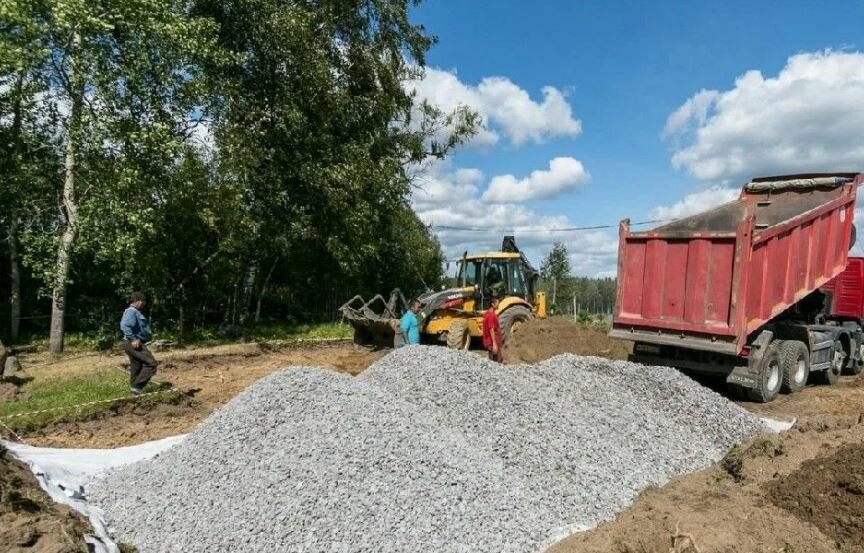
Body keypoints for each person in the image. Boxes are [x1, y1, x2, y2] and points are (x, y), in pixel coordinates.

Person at [120, 292, 158, 394]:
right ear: (136, 300)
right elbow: (125, 326)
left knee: (137, 366)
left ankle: (134, 391)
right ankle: (137, 387)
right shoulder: (131, 311)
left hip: (130, 342)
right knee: (151, 363)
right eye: (143, 301)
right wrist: (133, 339)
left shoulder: (135, 312)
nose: (144, 303)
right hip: (132, 342)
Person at [482, 296, 503, 362]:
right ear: (492, 304)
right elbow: (491, 329)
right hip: (493, 342)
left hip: (490, 342)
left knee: (492, 361)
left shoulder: (486, 314)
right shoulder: (491, 315)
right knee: (497, 361)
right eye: (497, 303)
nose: (498, 304)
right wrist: (494, 344)